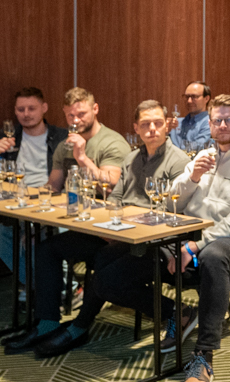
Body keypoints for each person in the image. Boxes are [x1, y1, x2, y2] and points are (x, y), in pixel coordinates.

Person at [7, 100, 186, 358]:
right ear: (136, 127)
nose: (152, 129)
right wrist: (109, 224)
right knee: (48, 249)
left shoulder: (178, 161)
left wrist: (120, 227)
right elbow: (116, 198)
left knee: (104, 262)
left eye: (158, 123)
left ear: (166, 126)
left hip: (148, 239)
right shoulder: (132, 158)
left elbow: (170, 210)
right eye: (145, 124)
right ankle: (47, 322)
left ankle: (79, 327)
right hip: (116, 231)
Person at [165, 94, 230, 382]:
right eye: (217, 120)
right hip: (192, 236)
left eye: (229, 119)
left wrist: (195, 246)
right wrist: (193, 177)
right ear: (209, 124)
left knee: (212, 256)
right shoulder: (203, 155)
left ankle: (203, 355)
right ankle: (179, 312)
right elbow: (171, 202)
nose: (222, 125)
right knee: (143, 250)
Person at [0, 87, 66, 280]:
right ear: (15, 111)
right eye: (21, 109)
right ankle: (35, 285)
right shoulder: (7, 137)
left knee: (42, 234)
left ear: (44, 108)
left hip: (49, 200)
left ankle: (44, 287)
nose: (26, 114)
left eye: (31, 108)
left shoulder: (61, 137)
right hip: (16, 202)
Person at [47, 87, 129, 191]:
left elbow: (111, 188)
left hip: (98, 200)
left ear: (95, 109)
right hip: (69, 199)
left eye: (81, 114)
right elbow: (53, 186)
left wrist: (82, 158)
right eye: (70, 115)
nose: (75, 120)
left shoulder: (113, 143)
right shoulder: (64, 145)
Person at [169, 81, 213, 152]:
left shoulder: (210, 123)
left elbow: (197, 149)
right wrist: (165, 131)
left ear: (206, 99)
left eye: (194, 97)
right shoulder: (176, 123)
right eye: (187, 97)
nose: (189, 101)